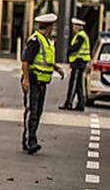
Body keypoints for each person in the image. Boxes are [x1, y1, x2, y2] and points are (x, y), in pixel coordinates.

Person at [21, 14, 63, 153]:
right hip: (33, 81)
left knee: (37, 112)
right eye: (52, 27)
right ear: (49, 27)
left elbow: (46, 61)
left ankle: (29, 139)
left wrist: (56, 68)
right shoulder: (35, 40)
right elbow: (25, 61)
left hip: (42, 82)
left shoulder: (45, 41)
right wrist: (26, 80)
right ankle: (30, 141)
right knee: (32, 112)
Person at [62, 17, 91, 111]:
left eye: (75, 26)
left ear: (79, 27)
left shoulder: (80, 36)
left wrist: (69, 50)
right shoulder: (81, 35)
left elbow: (75, 48)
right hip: (80, 62)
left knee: (73, 83)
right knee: (78, 84)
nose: (73, 27)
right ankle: (80, 104)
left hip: (79, 61)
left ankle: (68, 103)